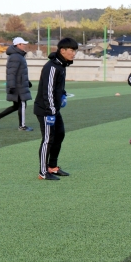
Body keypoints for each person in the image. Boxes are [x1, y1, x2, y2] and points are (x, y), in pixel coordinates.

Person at [34, 37, 78, 180]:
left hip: (54, 109)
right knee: (48, 138)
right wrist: (51, 111)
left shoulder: (61, 65)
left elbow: (58, 87)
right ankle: (42, 172)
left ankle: (52, 167)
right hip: (46, 110)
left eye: (74, 51)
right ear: (62, 50)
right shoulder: (52, 67)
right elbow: (48, 91)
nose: (74, 54)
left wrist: (63, 95)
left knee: (59, 134)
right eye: (71, 50)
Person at [0, 37, 34, 131]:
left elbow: (19, 72)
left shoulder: (18, 56)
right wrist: (12, 86)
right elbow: (11, 73)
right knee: (22, 104)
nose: (25, 45)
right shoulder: (16, 56)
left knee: (17, 106)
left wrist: (27, 82)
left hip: (20, 84)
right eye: (23, 44)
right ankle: (22, 126)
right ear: (18, 45)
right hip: (18, 86)